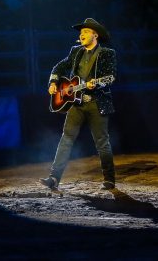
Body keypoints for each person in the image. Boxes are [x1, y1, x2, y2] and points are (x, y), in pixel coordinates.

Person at [40, 18, 117, 190]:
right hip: (76, 103)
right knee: (66, 139)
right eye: (80, 33)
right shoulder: (76, 51)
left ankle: (109, 179)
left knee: (102, 142)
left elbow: (111, 77)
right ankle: (54, 178)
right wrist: (53, 83)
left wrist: (96, 83)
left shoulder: (107, 53)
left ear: (95, 35)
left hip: (97, 103)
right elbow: (59, 67)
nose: (81, 35)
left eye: (85, 32)